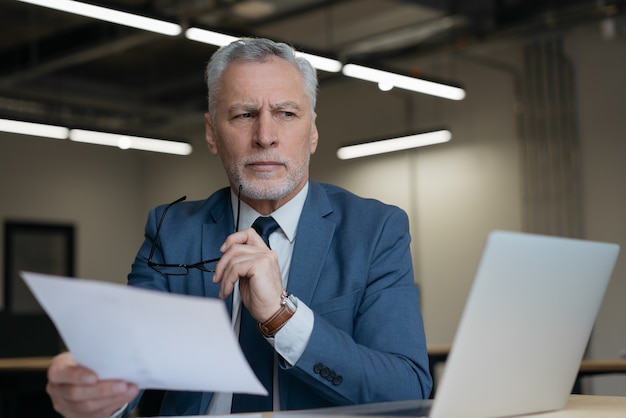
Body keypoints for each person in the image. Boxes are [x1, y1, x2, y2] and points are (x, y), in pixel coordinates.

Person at [45, 37, 432, 418]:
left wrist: (283, 318)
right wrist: (96, 392)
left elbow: (406, 389)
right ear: (212, 133)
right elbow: (130, 359)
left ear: (312, 131)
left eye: (286, 113)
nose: (265, 136)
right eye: (244, 115)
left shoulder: (376, 230)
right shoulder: (172, 231)